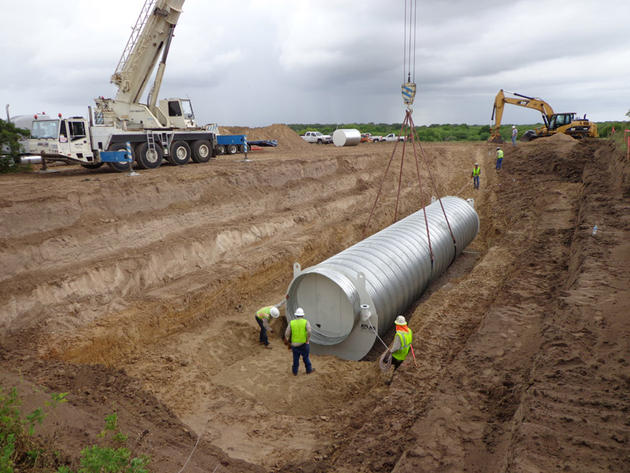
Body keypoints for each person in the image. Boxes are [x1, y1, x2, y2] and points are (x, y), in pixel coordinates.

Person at [381, 315, 413, 383]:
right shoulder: (409, 331)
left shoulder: (399, 335)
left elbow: (395, 348)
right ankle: (392, 380)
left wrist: (390, 352)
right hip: (405, 354)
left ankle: (389, 380)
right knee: (396, 368)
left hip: (398, 355)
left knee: (385, 360)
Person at [284, 307, 315, 376]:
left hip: (294, 345)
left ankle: (295, 372)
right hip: (304, 344)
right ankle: (309, 370)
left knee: (295, 359)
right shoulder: (306, 322)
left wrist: (288, 341)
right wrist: (307, 339)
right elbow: (309, 331)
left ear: (296, 315)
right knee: (306, 357)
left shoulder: (291, 322)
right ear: (303, 315)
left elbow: (286, 334)